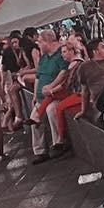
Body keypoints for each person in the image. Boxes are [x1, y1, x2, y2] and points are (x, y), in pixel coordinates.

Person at [30, 29, 68, 164]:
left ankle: (59, 142)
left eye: (40, 42)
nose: (38, 45)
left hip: (56, 95)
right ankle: (40, 151)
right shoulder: (43, 58)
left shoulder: (61, 55)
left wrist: (52, 86)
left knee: (51, 110)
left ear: (47, 42)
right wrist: (35, 95)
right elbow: (38, 77)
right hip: (41, 96)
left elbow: (64, 73)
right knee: (34, 120)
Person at [73, 38, 104, 124]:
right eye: (103, 47)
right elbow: (85, 91)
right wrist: (83, 110)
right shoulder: (85, 67)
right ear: (95, 51)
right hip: (101, 98)